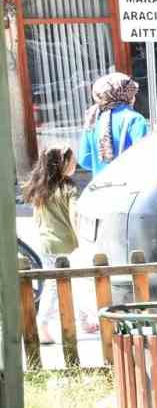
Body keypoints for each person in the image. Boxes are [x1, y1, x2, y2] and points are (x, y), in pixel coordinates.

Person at [22, 144, 78, 345]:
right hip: (64, 246)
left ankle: (86, 319)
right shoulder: (69, 188)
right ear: (62, 163)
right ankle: (42, 324)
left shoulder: (41, 187)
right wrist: (82, 238)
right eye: (72, 160)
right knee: (61, 284)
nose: (75, 163)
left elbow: (36, 218)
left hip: (45, 243)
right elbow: (75, 216)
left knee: (62, 282)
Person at [77, 72, 149, 176]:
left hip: (100, 186)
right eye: (132, 94)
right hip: (129, 186)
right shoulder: (134, 119)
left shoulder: (93, 118)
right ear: (125, 95)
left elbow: (85, 160)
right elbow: (142, 159)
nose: (134, 98)